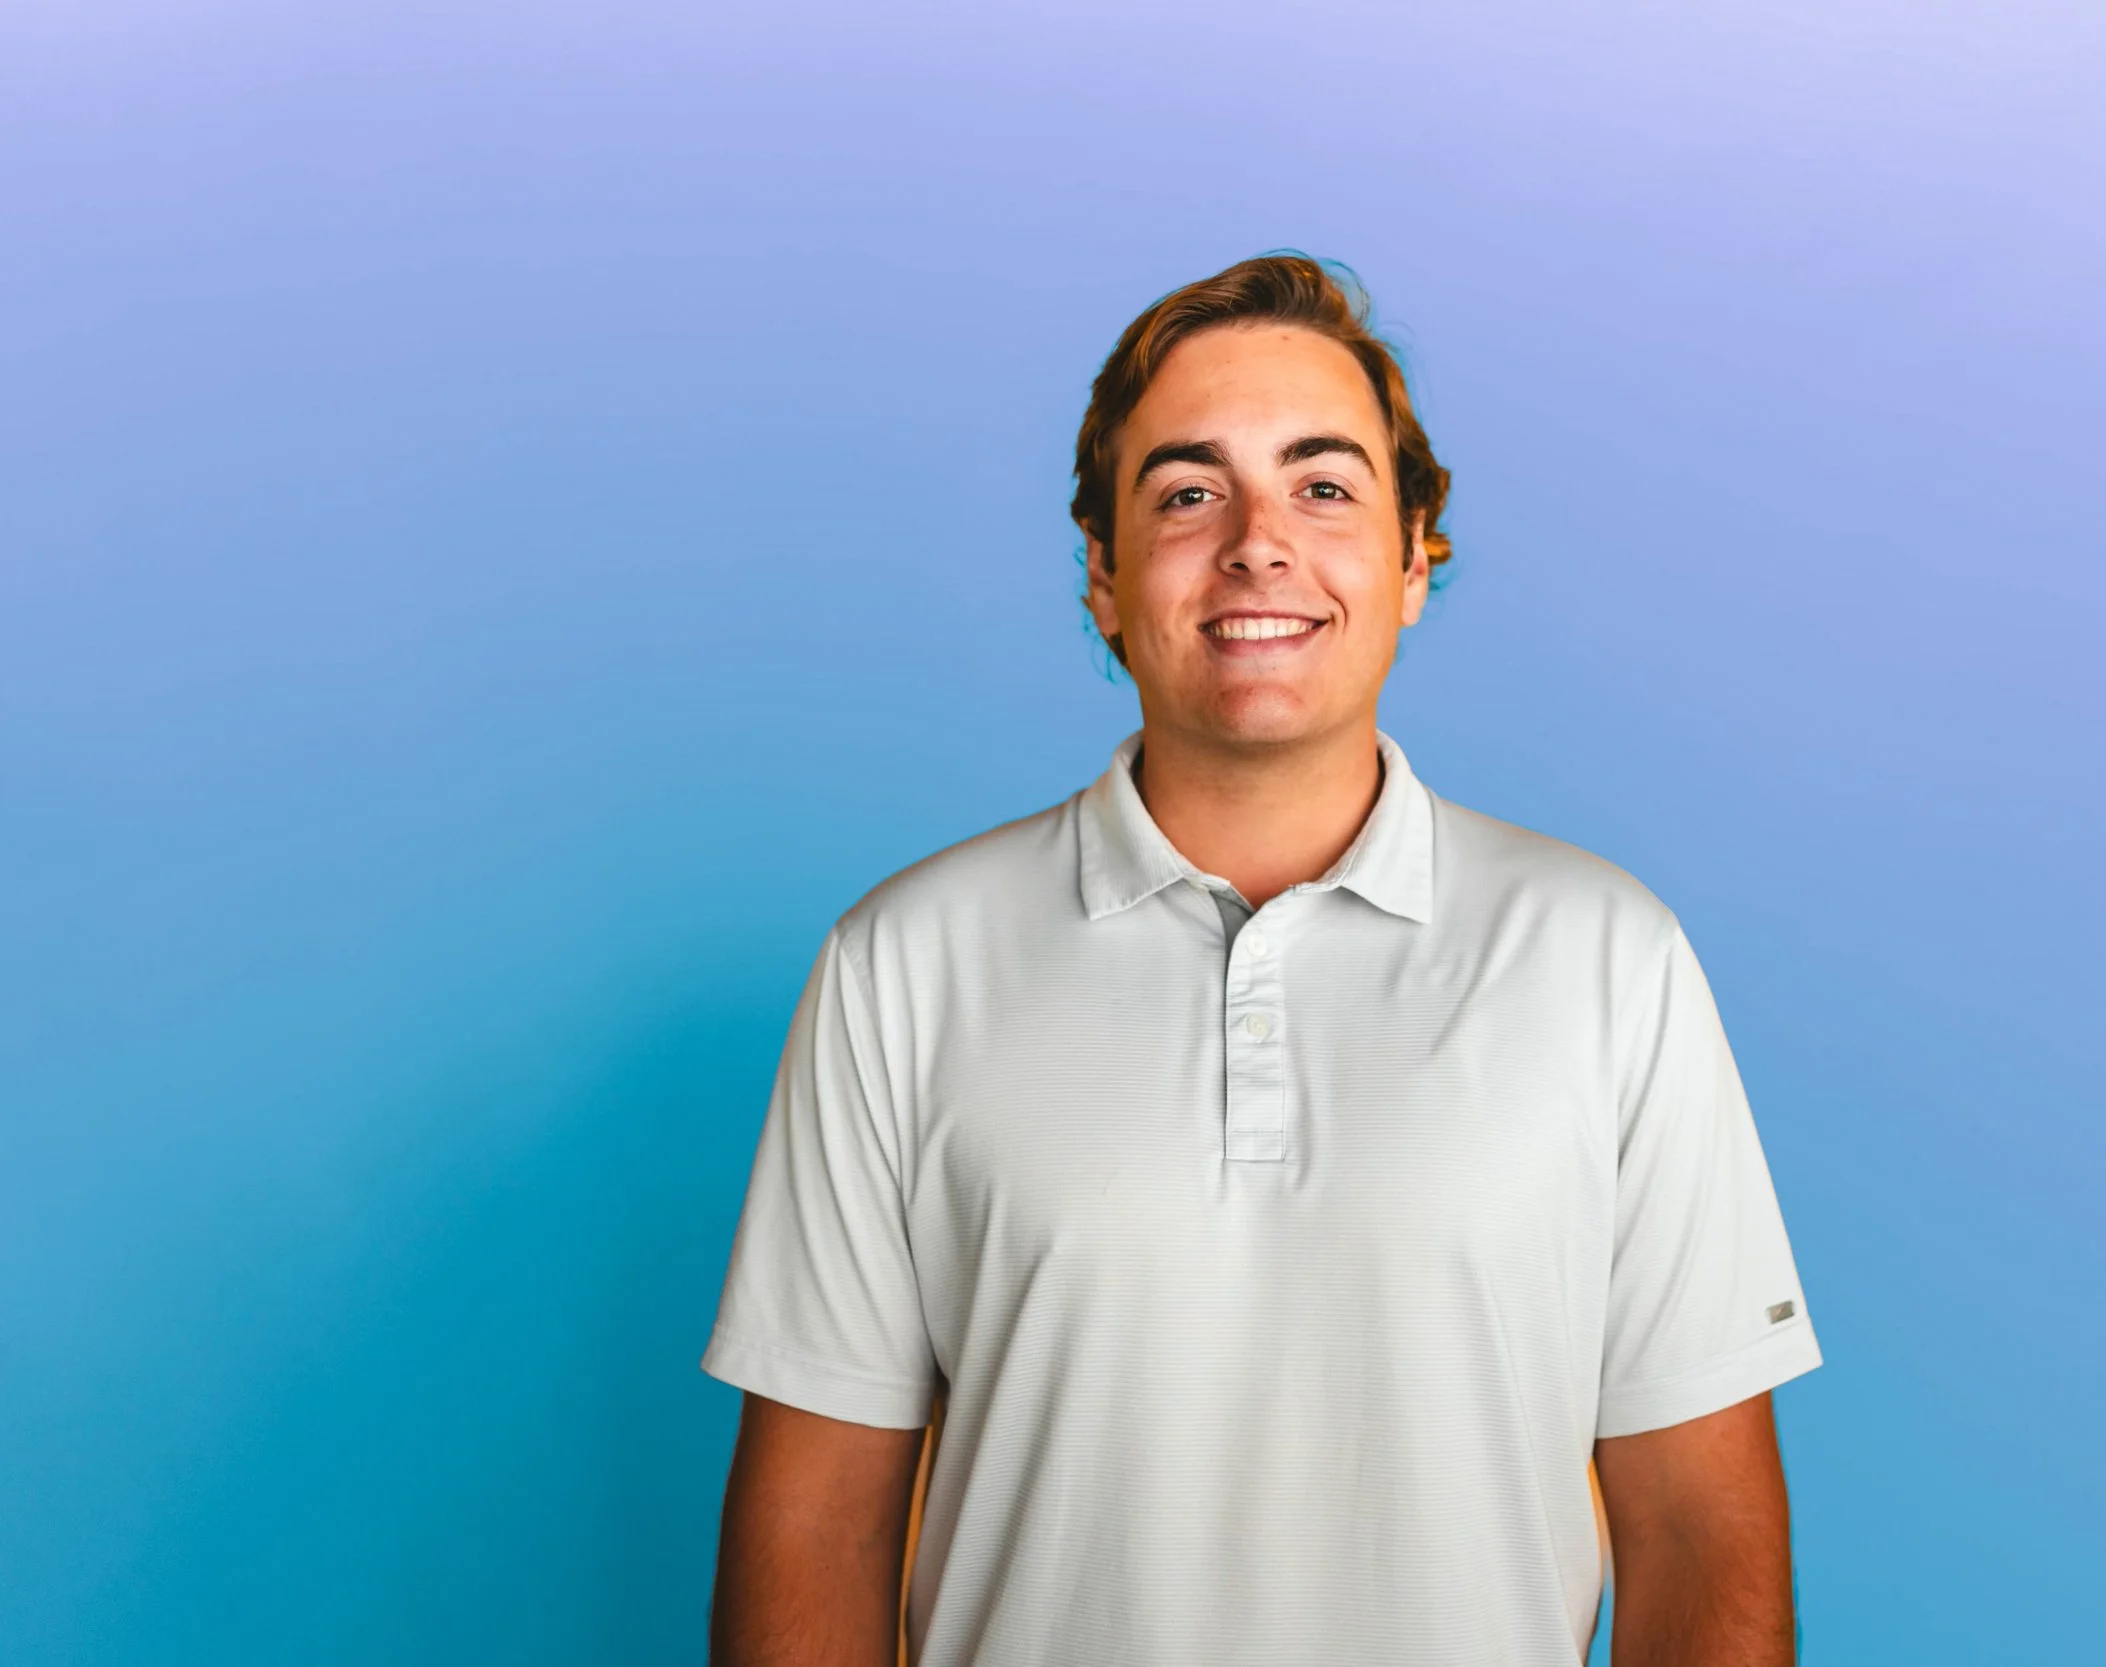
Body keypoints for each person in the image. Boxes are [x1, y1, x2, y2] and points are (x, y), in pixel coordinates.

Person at [701, 253, 1823, 1667]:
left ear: (1418, 559)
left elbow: (1698, 1533)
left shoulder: (1609, 960)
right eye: (1186, 492)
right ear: (1104, 576)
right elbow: (818, 1529)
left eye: (1324, 484)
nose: (1256, 541)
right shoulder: (902, 964)